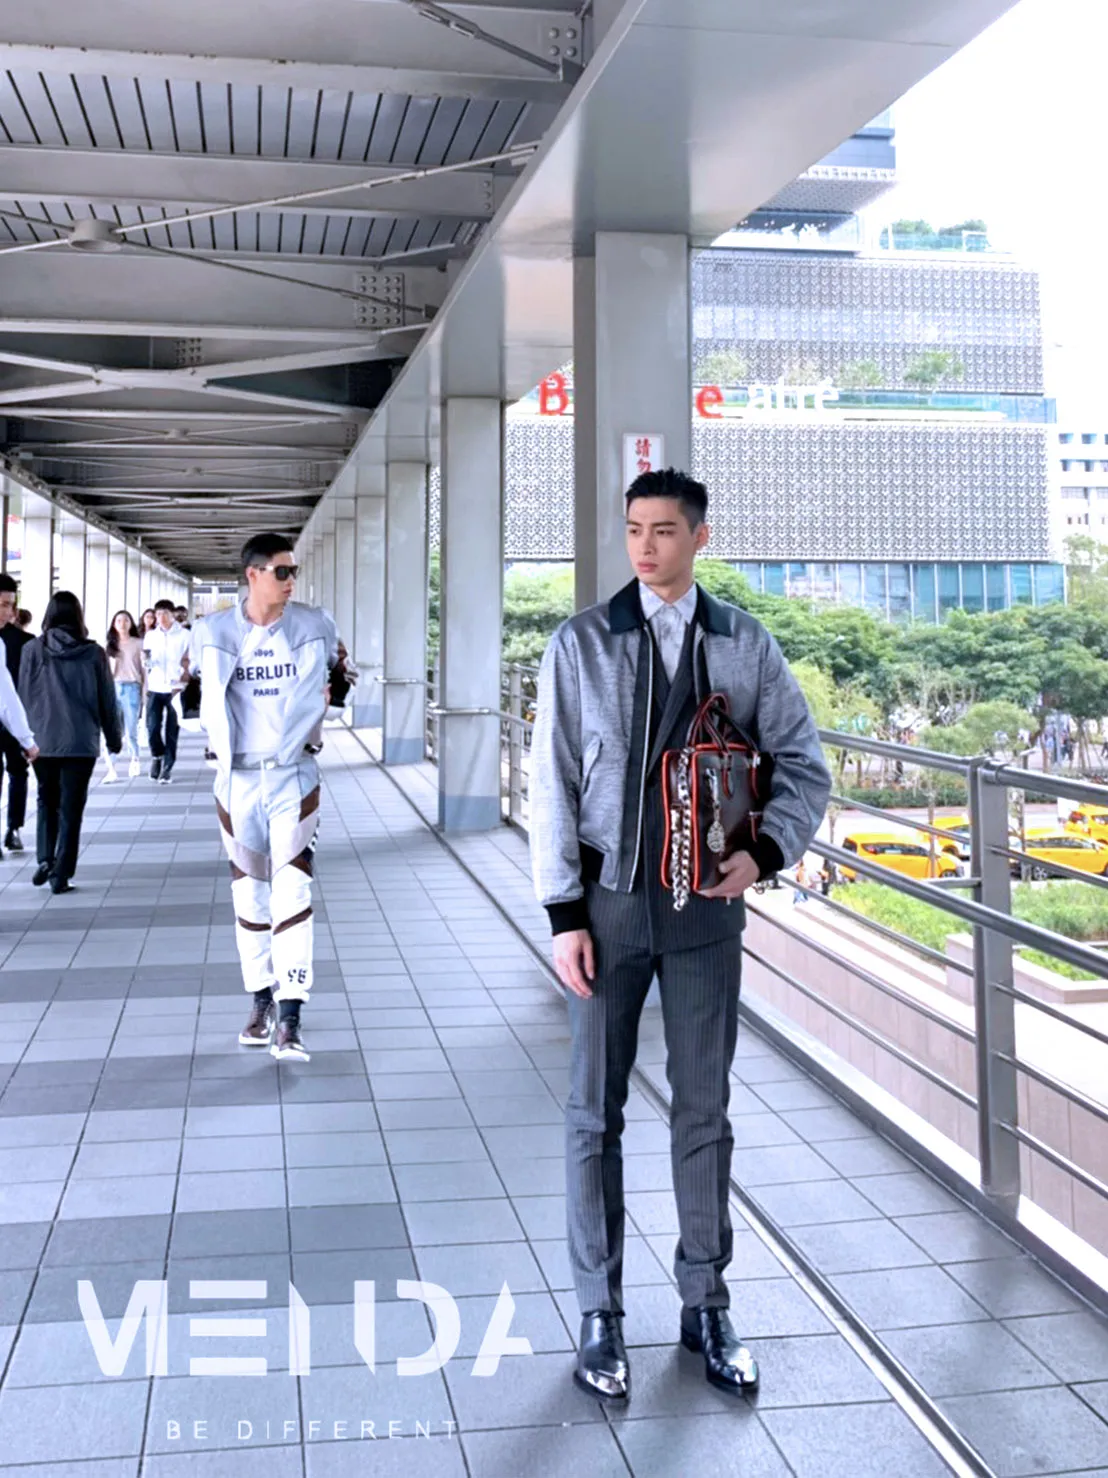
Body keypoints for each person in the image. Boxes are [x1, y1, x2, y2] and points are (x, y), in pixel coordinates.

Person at [530, 468, 829, 1403]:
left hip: (706, 913)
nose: (645, 547)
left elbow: (803, 762)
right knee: (594, 1112)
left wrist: (766, 852)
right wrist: (563, 916)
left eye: (663, 530)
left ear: (699, 537)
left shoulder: (745, 643)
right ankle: (600, 1311)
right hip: (609, 908)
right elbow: (552, 784)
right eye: (634, 529)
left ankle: (707, 1303)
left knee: (705, 1110)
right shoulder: (582, 643)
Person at [190, 534, 342, 1063]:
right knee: (248, 897)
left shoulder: (315, 625)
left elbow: (341, 676)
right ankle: (260, 1002)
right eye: (281, 571)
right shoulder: (211, 633)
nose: (290, 580)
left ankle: (291, 1015)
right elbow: (199, 691)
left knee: (293, 891)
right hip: (236, 782)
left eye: (293, 571)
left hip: (293, 776)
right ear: (252, 574)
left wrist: (329, 703)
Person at [18, 591, 121, 894]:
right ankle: (60, 874)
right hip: (80, 741)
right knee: (71, 808)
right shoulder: (93, 653)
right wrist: (114, 738)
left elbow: (22, 695)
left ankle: (45, 858)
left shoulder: (31, 650)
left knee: (46, 800)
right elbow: (107, 699)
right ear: (78, 616)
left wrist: (23, 738)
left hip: (42, 740)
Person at [0, 574, 35, 853]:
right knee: (18, 772)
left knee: (17, 772)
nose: (7, 611)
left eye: (10, 605)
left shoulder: (23, 642)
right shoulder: (26, 641)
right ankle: (13, 829)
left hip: (14, 715)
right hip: (14, 715)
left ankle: (13, 828)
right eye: (3, 604)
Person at [143, 599, 189, 783]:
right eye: (158, 614)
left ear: (173, 615)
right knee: (152, 727)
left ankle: (167, 767)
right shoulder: (150, 636)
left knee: (172, 730)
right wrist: (147, 662)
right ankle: (157, 755)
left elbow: (191, 659)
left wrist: (182, 675)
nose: (161, 617)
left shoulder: (184, 635)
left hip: (175, 688)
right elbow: (147, 660)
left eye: (165, 613)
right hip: (155, 686)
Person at [103, 611, 145, 782]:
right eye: (118, 620)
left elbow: (144, 670)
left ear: (131, 623)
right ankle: (111, 768)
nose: (122, 623)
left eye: (126, 620)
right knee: (112, 730)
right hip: (113, 688)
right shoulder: (109, 645)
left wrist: (145, 692)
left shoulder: (138, 643)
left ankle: (135, 758)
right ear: (114, 624)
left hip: (132, 687)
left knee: (131, 729)